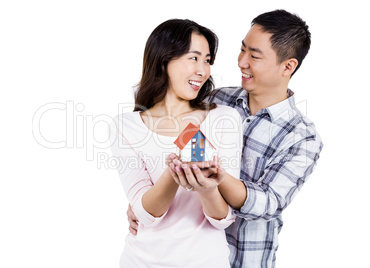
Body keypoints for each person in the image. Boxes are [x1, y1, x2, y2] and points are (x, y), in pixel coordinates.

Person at [127, 10, 323, 267]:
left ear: (288, 66)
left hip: (246, 258)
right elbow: (163, 143)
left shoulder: (302, 137)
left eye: (254, 55)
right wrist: (142, 203)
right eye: (242, 50)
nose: (241, 62)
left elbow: (268, 203)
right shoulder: (215, 101)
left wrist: (216, 178)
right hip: (186, 256)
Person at [110, 19, 243, 267]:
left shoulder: (223, 118)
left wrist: (206, 188)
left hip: (206, 261)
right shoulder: (125, 125)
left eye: (207, 60)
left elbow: (222, 218)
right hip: (142, 261)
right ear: (164, 60)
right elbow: (144, 214)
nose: (203, 70)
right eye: (193, 58)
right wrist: (173, 174)